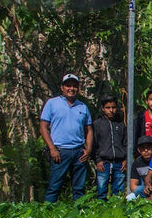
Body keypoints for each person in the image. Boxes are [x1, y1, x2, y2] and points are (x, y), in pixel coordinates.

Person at [40, 73, 93, 202]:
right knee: (54, 186)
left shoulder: (83, 107)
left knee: (79, 189)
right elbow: (43, 127)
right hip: (60, 151)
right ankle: (47, 214)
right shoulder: (52, 103)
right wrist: (52, 149)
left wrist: (89, 149)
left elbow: (89, 130)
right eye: (68, 85)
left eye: (74, 86)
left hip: (79, 152)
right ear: (62, 87)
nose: (71, 88)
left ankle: (79, 214)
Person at [92, 95, 127, 200]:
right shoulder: (97, 124)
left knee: (119, 190)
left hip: (119, 163)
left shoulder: (120, 124)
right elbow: (94, 144)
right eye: (108, 108)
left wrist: (125, 159)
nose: (111, 110)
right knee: (102, 189)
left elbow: (126, 142)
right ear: (103, 108)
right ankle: (101, 209)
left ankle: (116, 209)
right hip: (104, 162)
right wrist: (98, 160)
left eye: (113, 107)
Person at [126, 136, 152, 200]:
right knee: (129, 197)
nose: (146, 150)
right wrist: (145, 189)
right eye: (143, 148)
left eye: (148, 148)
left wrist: (150, 186)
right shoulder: (137, 163)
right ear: (139, 150)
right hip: (143, 189)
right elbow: (133, 186)